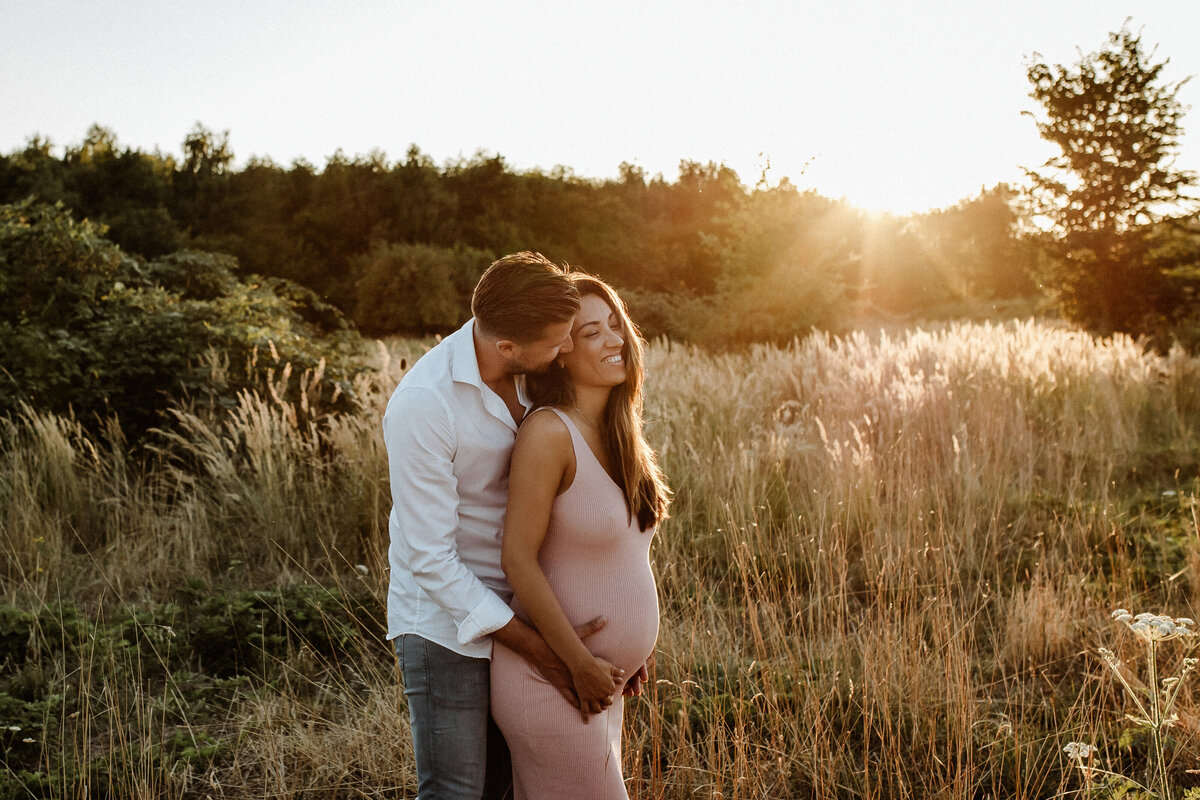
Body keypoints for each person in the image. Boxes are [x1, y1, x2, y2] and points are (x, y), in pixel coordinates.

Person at [383, 252, 609, 800]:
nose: (566, 349)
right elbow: (430, 561)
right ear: (507, 347)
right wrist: (542, 650)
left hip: (525, 612)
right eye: (557, 341)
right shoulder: (424, 404)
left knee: (507, 789)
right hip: (446, 629)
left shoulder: (535, 375)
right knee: (456, 793)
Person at [490, 274, 671, 799]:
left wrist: (622, 656)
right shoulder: (549, 433)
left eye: (616, 325)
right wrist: (578, 663)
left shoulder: (620, 434)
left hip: (597, 682)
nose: (616, 340)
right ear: (561, 352)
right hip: (552, 681)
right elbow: (517, 561)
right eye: (592, 333)